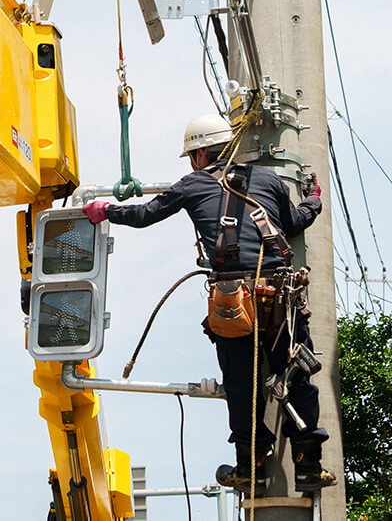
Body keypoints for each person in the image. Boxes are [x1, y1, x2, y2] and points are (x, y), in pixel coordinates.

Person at [81, 113, 337, 494]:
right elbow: (292, 223)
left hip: (233, 300)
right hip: (279, 297)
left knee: (240, 383)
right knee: (296, 373)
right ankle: (308, 466)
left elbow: (144, 215)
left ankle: (250, 467)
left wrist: (106, 212)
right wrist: (314, 200)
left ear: (200, 154)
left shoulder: (192, 185)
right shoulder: (269, 180)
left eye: (191, 156)